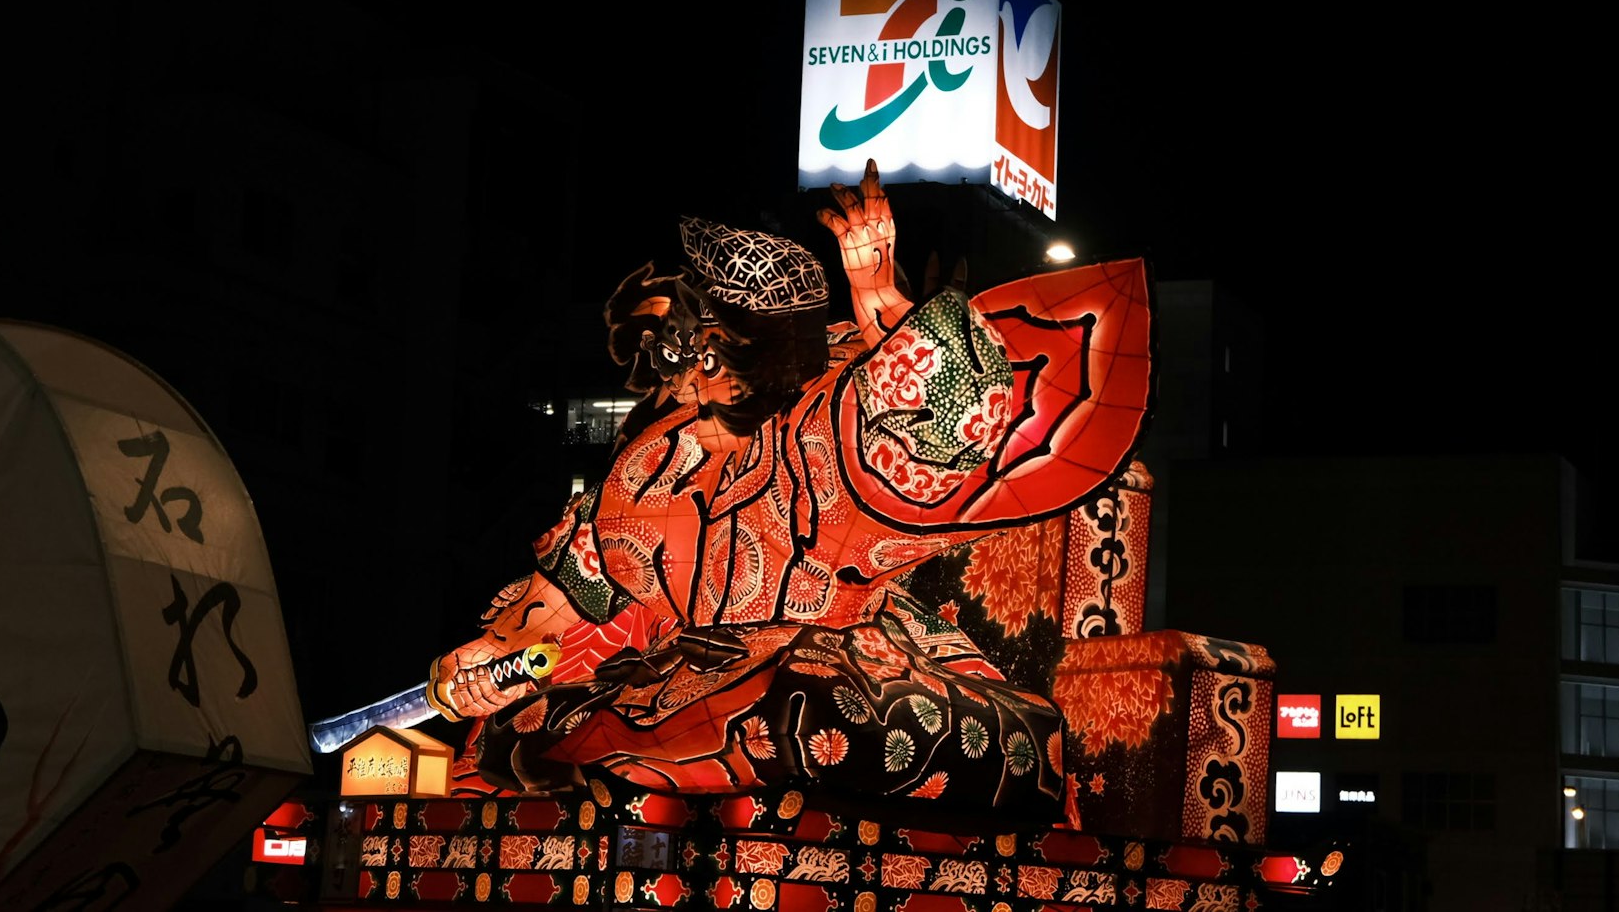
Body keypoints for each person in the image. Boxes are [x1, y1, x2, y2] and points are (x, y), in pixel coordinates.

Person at [427, 160, 1150, 819]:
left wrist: (881, 296)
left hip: (840, 660)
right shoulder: (643, 467)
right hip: (679, 674)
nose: (685, 366)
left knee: (804, 706)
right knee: (517, 728)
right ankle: (644, 777)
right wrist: (489, 654)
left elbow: (961, 410)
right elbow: (571, 589)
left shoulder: (823, 420)